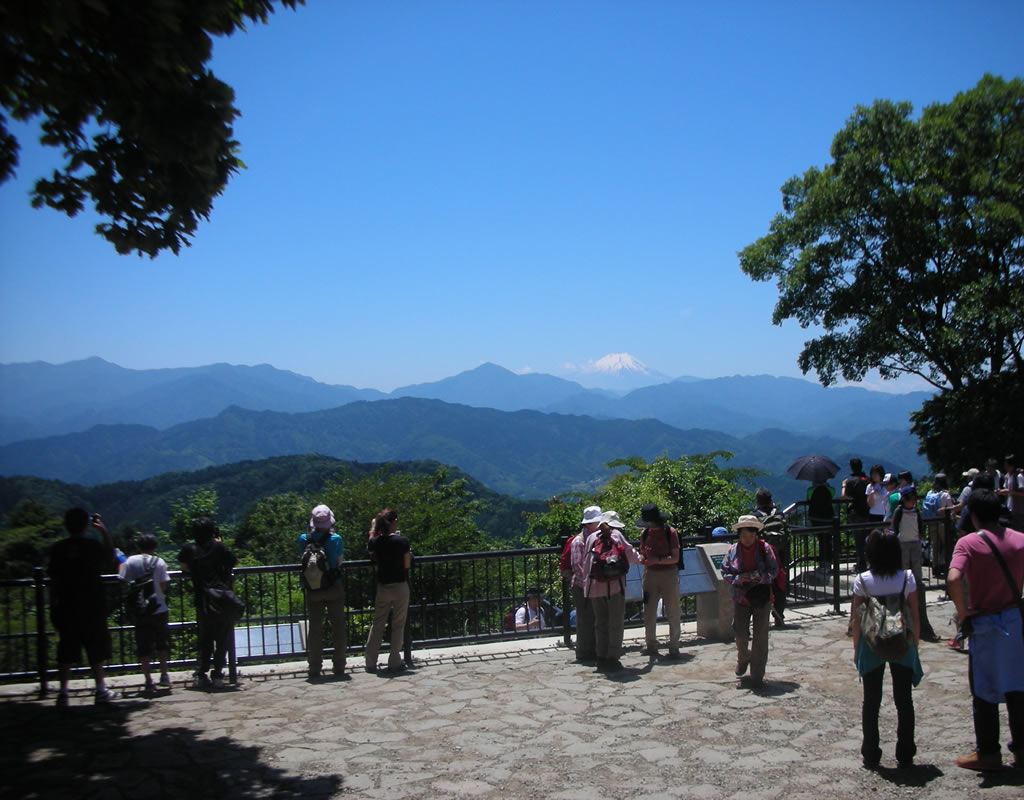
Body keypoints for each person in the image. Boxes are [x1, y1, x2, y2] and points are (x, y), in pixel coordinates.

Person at [947, 489, 1024, 772]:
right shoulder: (1020, 540)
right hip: (1014, 620)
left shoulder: (968, 543)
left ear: (974, 515)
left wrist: (964, 610)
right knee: (1018, 686)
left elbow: (953, 578)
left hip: (985, 622)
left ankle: (988, 752)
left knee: (983, 689)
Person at [48, 508, 119, 708]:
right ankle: (100, 689)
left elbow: (53, 580)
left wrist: (53, 606)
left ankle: (63, 692)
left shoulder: (59, 548)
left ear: (66, 524)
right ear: (86, 525)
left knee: (66, 648)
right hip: (92, 605)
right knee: (95, 647)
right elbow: (111, 557)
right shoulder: (92, 546)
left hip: (66, 605)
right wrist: (103, 531)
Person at [177, 517, 237, 689]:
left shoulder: (189, 549)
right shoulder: (218, 546)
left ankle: (201, 673)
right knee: (223, 638)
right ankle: (218, 674)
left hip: (202, 599)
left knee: (205, 639)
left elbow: (183, 567)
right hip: (221, 597)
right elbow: (233, 561)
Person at [721, 515, 779, 689]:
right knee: (740, 632)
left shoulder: (765, 549)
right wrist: (739, 578)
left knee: (760, 636)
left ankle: (757, 674)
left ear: (756, 535)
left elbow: (774, 570)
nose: (747, 540)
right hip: (741, 597)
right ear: (739, 535)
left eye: (751, 536)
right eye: (744, 536)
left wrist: (759, 578)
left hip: (762, 596)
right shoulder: (732, 551)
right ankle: (743, 656)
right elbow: (725, 572)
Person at [582, 511, 642, 673]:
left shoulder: (591, 538)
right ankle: (613, 658)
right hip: (616, 587)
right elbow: (631, 555)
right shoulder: (617, 536)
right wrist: (642, 559)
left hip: (596, 587)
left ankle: (601, 658)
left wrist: (586, 587)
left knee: (600, 623)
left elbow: (586, 563)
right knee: (616, 623)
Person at [119, 533, 171, 694]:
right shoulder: (160, 562)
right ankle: (164, 675)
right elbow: (163, 585)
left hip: (140, 610)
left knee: (143, 646)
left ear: (138, 546)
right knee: (162, 643)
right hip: (159, 608)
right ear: (155, 546)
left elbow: (123, 582)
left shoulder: (130, 561)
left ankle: (148, 680)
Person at [299, 504, 347, 679]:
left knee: (315, 629)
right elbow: (340, 561)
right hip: (334, 586)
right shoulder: (336, 539)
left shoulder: (304, 539)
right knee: (338, 628)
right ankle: (339, 666)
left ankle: (314, 667)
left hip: (312, 588)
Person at [365, 508, 411, 674]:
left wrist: (372, 528)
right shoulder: (402, 541)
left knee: (378, 624)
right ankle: (394, 661)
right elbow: (407, 565)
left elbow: (370, 546)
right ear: (394, 522)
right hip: (400, 586)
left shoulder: (376, 542)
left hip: (383, 587)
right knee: (398, 625)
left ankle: (370, 661)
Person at [889, 486, 936, 641]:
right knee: (904, 565)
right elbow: (894, 527)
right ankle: (904, 583)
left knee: (916, 566)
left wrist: (921, 534)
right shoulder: (900, 511)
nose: (912, 501)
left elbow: (920, 524)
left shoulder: (915, 511)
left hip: (914, 541)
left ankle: (916, 581)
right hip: (903, 542)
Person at [636, 503, 681, 659]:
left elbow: (675, 558)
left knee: (673, 610)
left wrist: (656, 560)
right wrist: (642, 558)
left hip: (669, 574)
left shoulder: (671, 533)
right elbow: (642, 552)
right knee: (648, 611)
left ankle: (674, 645)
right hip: (650, 574)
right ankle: (650, 644)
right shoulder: (644, 534)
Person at [559, 505, 602, 663]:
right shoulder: (579, 541)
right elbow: (578, 566)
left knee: (594, 618)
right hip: (582, 586)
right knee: (584, 620)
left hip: (593, 585)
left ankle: (595, 650)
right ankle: (584, 653)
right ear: (589, 524)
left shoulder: (594, 538)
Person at [752, 488, 790, 627]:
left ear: (757, 501)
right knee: (779, 586)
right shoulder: (779, 514)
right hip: (779, 557)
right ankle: (779, 616)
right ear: (770, 500)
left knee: (763, 586)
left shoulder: (755, 516)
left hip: (762, 558)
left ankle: (762, 617)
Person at [807, 480, 835, 572]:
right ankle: (829, 563)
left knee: (821, 541)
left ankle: (823, 563)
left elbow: (808, 499)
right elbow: (833, 494)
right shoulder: (830, 489)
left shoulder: (810, 490)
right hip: (828, 518)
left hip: (816, 519)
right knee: (828, 540)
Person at [999, 454, 1024, 529]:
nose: (1005, 467)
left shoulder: (1019, 476)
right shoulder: (1007, 476)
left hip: (1019, 510)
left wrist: (1010, 492)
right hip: (1009, 509)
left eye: (1007, 465)